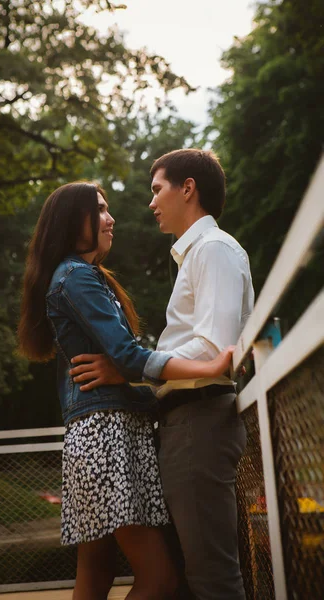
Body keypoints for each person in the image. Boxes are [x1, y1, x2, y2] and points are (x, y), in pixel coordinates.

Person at [17, 181, 237, 600]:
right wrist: (209, 366)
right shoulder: (76, 277)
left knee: (96, 570)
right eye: (99, 209)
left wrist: (144, 389)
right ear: (71, 221)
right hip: (108, 439)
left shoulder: (80, 276)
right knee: (161, 580)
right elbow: (127, 355)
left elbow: (120, 368)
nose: (110, 217)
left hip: (100, 434)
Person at [69, 150, 254, 599]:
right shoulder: (195, 255)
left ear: (187, 188)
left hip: (201, 420)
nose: (151, 203)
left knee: (212, 575)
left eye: (157, 189)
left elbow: (215, 348)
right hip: (185, 422)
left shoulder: (213, 250)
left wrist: (134, 367)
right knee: (192, 576)